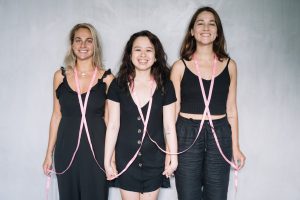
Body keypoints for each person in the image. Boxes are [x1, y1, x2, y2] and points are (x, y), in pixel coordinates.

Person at [171, 7, 246, 200]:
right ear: (192, 31)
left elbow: (231, 109)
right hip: (187, 133)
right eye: (200, 23)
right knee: (188, 195)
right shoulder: (179, 66)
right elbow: (173, 111)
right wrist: (170, 150)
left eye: (211, 23)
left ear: (217, 31)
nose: (206, 27)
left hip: (219, 133)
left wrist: (236, 147)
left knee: (217, 195)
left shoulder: (230, 65)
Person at [42, 23, 113, 200]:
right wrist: (48, 154)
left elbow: (111, 122)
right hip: (66, 148)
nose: (83, 45)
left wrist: (112, 157)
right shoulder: (60, 76)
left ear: (95, 45)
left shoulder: (107, 78)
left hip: (97, 149)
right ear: (72, 45)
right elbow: (56, 115)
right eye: (78, 40)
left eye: (89, 41)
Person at [104, 30, 178, 200]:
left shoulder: (166, 85)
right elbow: (113, 125)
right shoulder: (118, 84)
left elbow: (169, 126)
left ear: (156, 55)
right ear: (130, 54)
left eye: (149, 50)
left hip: (154, 160)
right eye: (138, 49)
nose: (143, 55)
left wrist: (173, 158)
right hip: (126, 159)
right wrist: (107, 160)